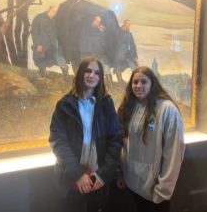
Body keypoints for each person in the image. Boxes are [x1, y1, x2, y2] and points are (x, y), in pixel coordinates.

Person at [49, 56, 123, 212]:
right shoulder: (64, 105)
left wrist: (102, 175)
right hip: (71, 177)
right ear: (80, 73)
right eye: (88, 71)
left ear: (100, 78)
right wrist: (78, 174)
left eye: (97, 73)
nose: (92, 76)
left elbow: (115, 140)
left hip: (98, 177)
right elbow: (58, 141)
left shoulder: (106, 103)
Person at [117, 66, 185, 212]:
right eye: (135, 82)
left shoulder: (167, 109)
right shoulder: (129, 107)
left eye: (143, 82)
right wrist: (121, 172)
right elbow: (124, 144)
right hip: (132, 184)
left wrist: (163, 190)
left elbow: (174, 153)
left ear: (152, 84)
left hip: (154, 191)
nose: (138, 86)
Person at [31, 6, 68, 78]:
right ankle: (43, 75)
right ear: (49, 9)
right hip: (42, 43)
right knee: (40, 58)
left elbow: (59, 31)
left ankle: (66, 75)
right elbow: (34, 31)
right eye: (54, 11)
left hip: (54, 43)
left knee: (60, 58)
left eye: (57, 12)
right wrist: (38, 44)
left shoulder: (57, 19)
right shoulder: (39, 17)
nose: (55, 13)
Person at [80, 15, 112, 83]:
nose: (98, 23)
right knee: (87, 68)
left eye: (99, 22)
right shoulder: (87, 28)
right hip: (87, 52)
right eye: (97, 21)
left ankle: (109, 80)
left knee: (105, 64)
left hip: (96, 52)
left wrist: (102, 32)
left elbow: (102, 42)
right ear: (93, 20)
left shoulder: (98, 29)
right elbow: (87, 41)